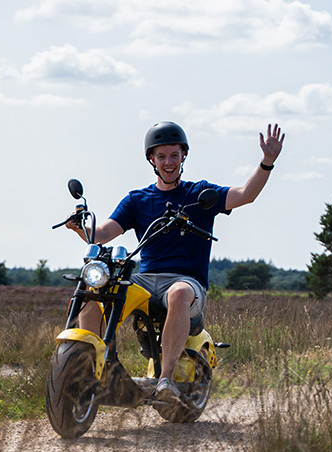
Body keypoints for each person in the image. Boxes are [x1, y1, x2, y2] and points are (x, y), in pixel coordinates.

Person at [65, 120, 284, 407]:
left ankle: (165, 380)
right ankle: (92, 370)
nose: (168, 162)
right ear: (152, 160)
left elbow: (245, 195)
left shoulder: (199, 193)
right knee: (95, 290)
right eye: (161, 156)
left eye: (174, 155)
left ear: (183, 156)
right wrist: (80, 227)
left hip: (186, 282)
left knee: (179, 293)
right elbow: (103, 233)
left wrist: (267, 162)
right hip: (145, 280)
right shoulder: (137, 199)